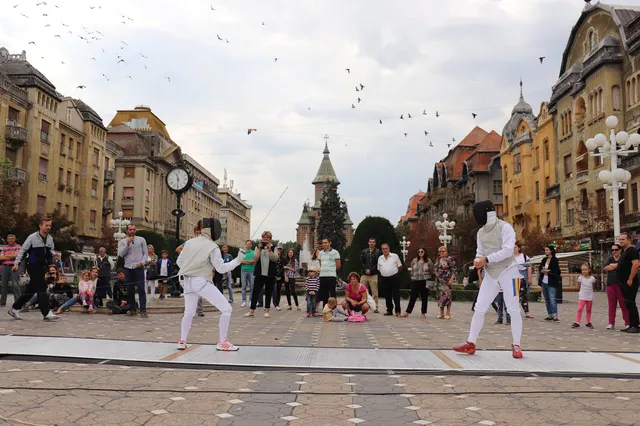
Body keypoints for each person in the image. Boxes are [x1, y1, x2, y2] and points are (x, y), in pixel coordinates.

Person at [453, 200, 523, 359]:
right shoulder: (480, 232)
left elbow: (507, 251)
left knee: (513, 309)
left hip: (509, 271)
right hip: (491, 274)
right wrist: (478, 260)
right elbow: (480, 251)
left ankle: (517, 345)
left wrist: (486, 259)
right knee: (479, 308)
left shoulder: (505, 227)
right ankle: (470, 343)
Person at [176, 217, 244, 351]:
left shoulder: (189, 242)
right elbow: (221, 268)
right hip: (200, 281)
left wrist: (192, 266)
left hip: (186, 281)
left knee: (189, 312)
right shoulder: (213, 247)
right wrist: (238, 260)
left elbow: (179, 262)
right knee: (226, 309)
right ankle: (222, 341)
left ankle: (182, 340)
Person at [8, 218, 59, 321]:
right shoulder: (32, 237)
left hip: (43, 266)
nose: (48, 227)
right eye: (46, 225)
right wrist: (16, 263)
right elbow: (23, 250)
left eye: (50, 225)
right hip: (32, 265)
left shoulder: (50, 239)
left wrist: (54, 256)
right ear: (40, 226)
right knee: (41, 287)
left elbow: (50, 251)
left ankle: (14, 308)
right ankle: (46, 313)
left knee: (31, 290)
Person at [245, 231, 278, 318]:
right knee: (256, 291)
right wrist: (259, 249)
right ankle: (252, 310)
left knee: (268, 291)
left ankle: (267, 310)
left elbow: (275, 259)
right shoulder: (258, 246)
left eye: (267, 237)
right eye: (264, 237)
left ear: (270, 239)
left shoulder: (274, 247)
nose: (265, 238)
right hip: (260, 272)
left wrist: (270, 249)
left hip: (269, 273)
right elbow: (255, 258)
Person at [118, 224, 148, 318]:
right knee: (130, 289)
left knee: (141, 289)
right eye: (130, 229)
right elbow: (121, 254)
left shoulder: (141, 240)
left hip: (138, 267)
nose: (132, 231)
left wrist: (142, 263)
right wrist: (127, 244)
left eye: (134, 229)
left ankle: (143, 310)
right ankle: (132, 309)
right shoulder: (122, 241)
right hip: (128, 267)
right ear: (127, 230)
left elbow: (145, 253)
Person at [176, 227, 205, 316]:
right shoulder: (190, 242)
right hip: (189, 269)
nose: (198, 233)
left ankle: (199, 310)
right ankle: (188, 311)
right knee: (188, 290)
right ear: (194, 233)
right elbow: (178, 249)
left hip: (199, 268)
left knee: (198, 289)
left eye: (199, 232)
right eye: (196, 232)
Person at [602, 243, 630, 330]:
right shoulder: (609, 258)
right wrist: (617, 266)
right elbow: (605, 268)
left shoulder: (623, 258)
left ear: (620, 250)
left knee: (623, 305)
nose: (614, 251)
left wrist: (613, 266)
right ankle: (611, 323)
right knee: (611, 305)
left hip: (621, 284)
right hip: (610, 284)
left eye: (616, 250)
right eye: (612, 250)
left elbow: (625, 267)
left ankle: (627, 323)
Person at [616, 233, 640, 333]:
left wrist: (630, 279)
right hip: (623, 282)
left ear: (628, 239)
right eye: (620, 240)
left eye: (623, 239)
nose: (621, 241)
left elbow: (636, 264)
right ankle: (631, 324)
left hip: (630, 282)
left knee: (631, 302)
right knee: (627, 303)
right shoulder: (625, 252)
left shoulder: (632, 250)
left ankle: (636, 325)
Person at [402, 247, 433, 318]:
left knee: (424, 297)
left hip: (425, 280)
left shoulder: (428, 261)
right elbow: (412, 269)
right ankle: (407, 312)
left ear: (424, 252)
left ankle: (423, 313)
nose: (420, 253)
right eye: (419, 252)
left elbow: (431, 271)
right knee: (413, 296)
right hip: (416, 280)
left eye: (422, 251)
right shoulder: (414, 260)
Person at [378, 243, 403, 316]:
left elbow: (400, 266)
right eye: (383, 249)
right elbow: (379, 268)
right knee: (387, 295)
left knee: (396, 295)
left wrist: (396, 274)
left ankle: (398, 311)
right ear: (381, 250)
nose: (385, 250)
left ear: (389, 249)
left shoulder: (394, 256)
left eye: (386, 248)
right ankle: (389, 310)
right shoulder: (380, 258)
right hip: (385, 278)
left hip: (394, 278)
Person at [539, 245, 561, 322]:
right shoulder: (544, 259)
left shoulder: (555, 260)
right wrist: (542, 271)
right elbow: (540, 268)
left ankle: (555, 315)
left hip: (551, 282)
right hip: (544, 281)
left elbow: (557, 271)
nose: (546, 251)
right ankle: (550, 314)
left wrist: (549, 272)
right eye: (545, 250)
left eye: (547, 250)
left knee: (552, 299)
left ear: (551, 251)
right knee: (547, 299)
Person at [360, 238, 382, 313]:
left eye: (373, 242)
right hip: (364, 274)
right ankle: (363, 304)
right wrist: (365, 269)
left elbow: (378, 262)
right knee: (363, 290)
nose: (371, 243)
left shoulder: (378, 252)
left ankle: (375, 306)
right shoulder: (364, 251)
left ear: (375, 243)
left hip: (373, 274)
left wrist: (371, 270)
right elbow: (361, 261)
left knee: (374, 291)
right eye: (370, 242)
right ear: (368, 243)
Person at [434, 246, 456, 319]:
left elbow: (454, 271)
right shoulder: (437, 259)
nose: (441, 253)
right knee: (440, 297)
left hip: (446, 281)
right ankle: (441, 313)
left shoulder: (449, 260)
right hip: (439, 281)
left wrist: (451, 280)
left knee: (447, 296)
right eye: (440, 251)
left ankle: (448, 313)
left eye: (443, 251)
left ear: (446, 251)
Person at [0, 234, 22, 306]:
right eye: (9, 239)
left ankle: (18, 301)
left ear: (15, 239)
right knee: (3, 285)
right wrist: (11, 256)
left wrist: (6, 256)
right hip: (5, 266)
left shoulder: (18, 246)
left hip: (14, 266)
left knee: (15, 284)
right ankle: (2, 301)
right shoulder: (4, 247)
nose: (11, 240)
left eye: (12, 239)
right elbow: (1, 257)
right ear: (7, 239)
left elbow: (17, 255)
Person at [318, 238, 341, 306]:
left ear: (330, 243)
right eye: (323, 243)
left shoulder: (335, 252)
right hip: (322, 276)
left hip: (331, 275)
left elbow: (338, 265)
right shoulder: (321, 253)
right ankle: (325, 310)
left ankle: (334, 309)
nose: (324, 244)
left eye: (326, 242)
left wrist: (332, 271)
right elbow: (320, 263)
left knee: (332, 293)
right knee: (324, 294)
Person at [572, 262, 595, 329]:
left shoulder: (592, 278)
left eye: (585, 269)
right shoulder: (580, 278)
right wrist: (581, 292)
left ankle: (588, 322)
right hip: (582, 296)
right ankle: (577, 322)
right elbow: (579, 286)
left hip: (589, 296)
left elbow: (593, 287)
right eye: (582, 270)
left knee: (588, 309)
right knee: (580, 308)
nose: (584, 271)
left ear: (589, 270)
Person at [514, 243, 534, 319]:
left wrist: (529, 278)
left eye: (515, 247)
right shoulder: (509, 258)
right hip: (513, 278)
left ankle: (527, 312)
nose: (514, 249)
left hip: (522, 277)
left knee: (523, 295)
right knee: (514, 296)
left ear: (519, 248)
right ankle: (515, 312)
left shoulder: (524, 257)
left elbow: (529, 267)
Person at [240, 240, 255, 307]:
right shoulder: (242, 252)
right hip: (243, 270)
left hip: (251, 271)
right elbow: (240, 261)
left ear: (251, 245)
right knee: (243, 286)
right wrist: (249, 262)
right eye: (247, 244)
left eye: (250, 244)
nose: (248, 245)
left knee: (251, 286)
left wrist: (245, 261)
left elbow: (253, 261)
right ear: (245, 245)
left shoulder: (253, 252)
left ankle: (251, 300)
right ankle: (244, 301)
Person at [273, 245, 285, 310]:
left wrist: (279, 275)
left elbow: (283, 267)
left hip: (280, 277)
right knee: (273, 290)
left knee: (278, 290)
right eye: (278, 249)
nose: (279, 251)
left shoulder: (283, 259)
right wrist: (275, 275)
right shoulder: (273, 257)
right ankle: (273, 303)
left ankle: (277, 304)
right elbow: (272, 267)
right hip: (273, 276)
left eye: (280, 249)